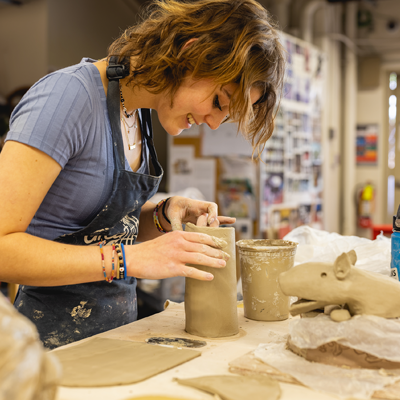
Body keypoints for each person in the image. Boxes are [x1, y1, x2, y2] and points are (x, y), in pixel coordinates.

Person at [0, 0, 285, 349]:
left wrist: (164, 217)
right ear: (190, 53)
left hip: (111, 339)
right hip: (41, 347)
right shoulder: (68, 98)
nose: (212, 123)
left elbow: (98, 228)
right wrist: (128, 259)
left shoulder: (139, 115)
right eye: (218, 102)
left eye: (224, 117)